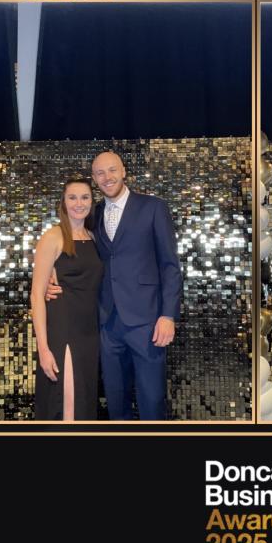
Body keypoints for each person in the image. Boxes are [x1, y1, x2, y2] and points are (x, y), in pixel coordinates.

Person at [48, 151, 182, 420]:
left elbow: (170, 265)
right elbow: (69, 239)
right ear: (94, 178)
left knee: (151, 398)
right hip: (107, 323)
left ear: (123, 172)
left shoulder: (153, 207)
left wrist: (168, 315)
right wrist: (50, 269)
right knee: (115, 400)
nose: (107, 177)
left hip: (147, 322)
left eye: (112, 170)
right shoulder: (92, 213)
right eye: (100, 173)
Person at [30, 179, 103, 421]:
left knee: (85, 401)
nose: (78, 203)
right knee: (67, 402)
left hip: (90, 332)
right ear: (63, 202)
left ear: (91, 202)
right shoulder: (53, 237)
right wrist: (43, 349)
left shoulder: (94, 236)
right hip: (64, 329)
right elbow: (37, 295)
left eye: (84, 197)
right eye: (72, 197)